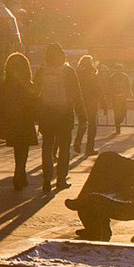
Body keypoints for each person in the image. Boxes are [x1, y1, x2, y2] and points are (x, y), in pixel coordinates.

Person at [35, 43, 83, 191]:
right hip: (64, 114)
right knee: (64, 148)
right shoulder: (68, 71)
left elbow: (34, 93)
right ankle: (61, 179)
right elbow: (77, 94)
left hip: (46, 113)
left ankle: (46, 180)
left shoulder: (41, 71)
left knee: (47, 147)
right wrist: (82, 115)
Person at [0, 52, 38, 190]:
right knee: (23, 149)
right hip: (25, 120)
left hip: (11, 121)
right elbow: (35, 103)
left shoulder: (4, 85)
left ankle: (20, 173)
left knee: (17, 148)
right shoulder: (28, 85)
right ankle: (20, 172)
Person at [74, 55, 103, 154]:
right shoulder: (93, 74)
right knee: (92, 126)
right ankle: (89, 148)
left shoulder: (77, 74)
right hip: (91, 102)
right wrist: (103, 102)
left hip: (79, 102)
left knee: (82, 123)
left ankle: (77, 141)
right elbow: (98, 89)